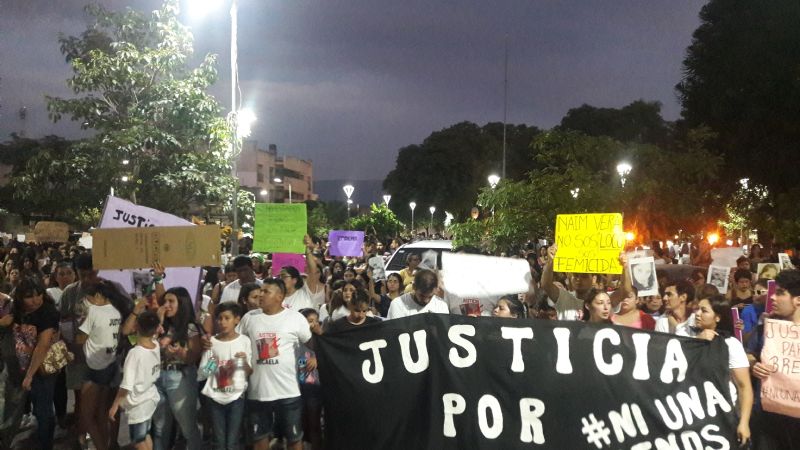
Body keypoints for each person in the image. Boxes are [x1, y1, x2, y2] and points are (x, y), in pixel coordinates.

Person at [241, 278, 312, 450]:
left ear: (280, 296)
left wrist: (314, 357)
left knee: (294, 439)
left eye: (266, 291)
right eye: (261, 291)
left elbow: (311, 343)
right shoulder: (249, 318)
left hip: (288, 391)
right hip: (258, 392)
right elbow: (236, 342)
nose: (260, 295)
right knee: (259, 439)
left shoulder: (295, 318)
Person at [75, 280, 134, 450]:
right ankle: (109, 444)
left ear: (99, 296)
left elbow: (81, 337)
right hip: (110, 364)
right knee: (102, 412)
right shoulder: (117, 311)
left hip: (94, 367)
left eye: (89, 299)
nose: (88, 302)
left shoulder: (94, 311)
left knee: (87, 416)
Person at [747, 269, 800, 449]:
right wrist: (754, 365)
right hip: (768, 421)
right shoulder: (766, 327)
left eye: (780, 293)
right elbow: (748, 354)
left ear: (798, 299)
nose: (772, 298)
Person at [693, 295, 752, 446]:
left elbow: (744, 387)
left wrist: (744, 423)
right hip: (691, 419)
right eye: (697, 309)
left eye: (704, 310)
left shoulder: (731, 345)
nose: (697, 313)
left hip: (723, 419)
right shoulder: (686, 339)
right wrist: (697, 343)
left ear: (718, 317)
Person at [11, 278, 60, 450]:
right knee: (37, 406)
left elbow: (43, 346)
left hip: (42, 367)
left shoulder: (47, 312)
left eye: (39, 294)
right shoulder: (18, 310)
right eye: (29, 296)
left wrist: (30, 376)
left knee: (44, 408)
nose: (36, 299)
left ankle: (46, 443)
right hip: (24, 365)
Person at [152, 287, 202, 450]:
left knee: (187, 427)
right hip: (157, 376)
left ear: (182, 303)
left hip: (180, 377)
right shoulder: (161, 325)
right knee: (159, 428)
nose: (166, 305)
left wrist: (181, 352)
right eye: (165, 301)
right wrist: (158, 321)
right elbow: (147, 343)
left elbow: (193, 357)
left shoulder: (190, 327)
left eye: (171, 301)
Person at [198, 302, 252, 450]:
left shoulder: (244, 341)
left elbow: (249, 371)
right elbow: (202, 374)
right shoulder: (212, 342)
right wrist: (212, 364)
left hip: (237, 397)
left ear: (237, 319)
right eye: (220, 318)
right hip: (215, 397)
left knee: (233, 441)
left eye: (227, 318)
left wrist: (243, 363)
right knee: (219, 441)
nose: (222, 322)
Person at [108, 311, 161, 450]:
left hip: (139, 405)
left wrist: (114, 406)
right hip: (150, 398)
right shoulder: (156, 345)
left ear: (136, 326)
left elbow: (126, 386)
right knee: (145, 435)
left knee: (138, 441)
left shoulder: (135, 354)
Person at [298, 308, 323, 450]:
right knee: (300, 424)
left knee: (314, 424)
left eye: (316, 321)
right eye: (309, 321)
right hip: (296, 389)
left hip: (315, 390)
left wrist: (318, 358)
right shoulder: (295, 341)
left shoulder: (322, 340)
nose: (313, 324)